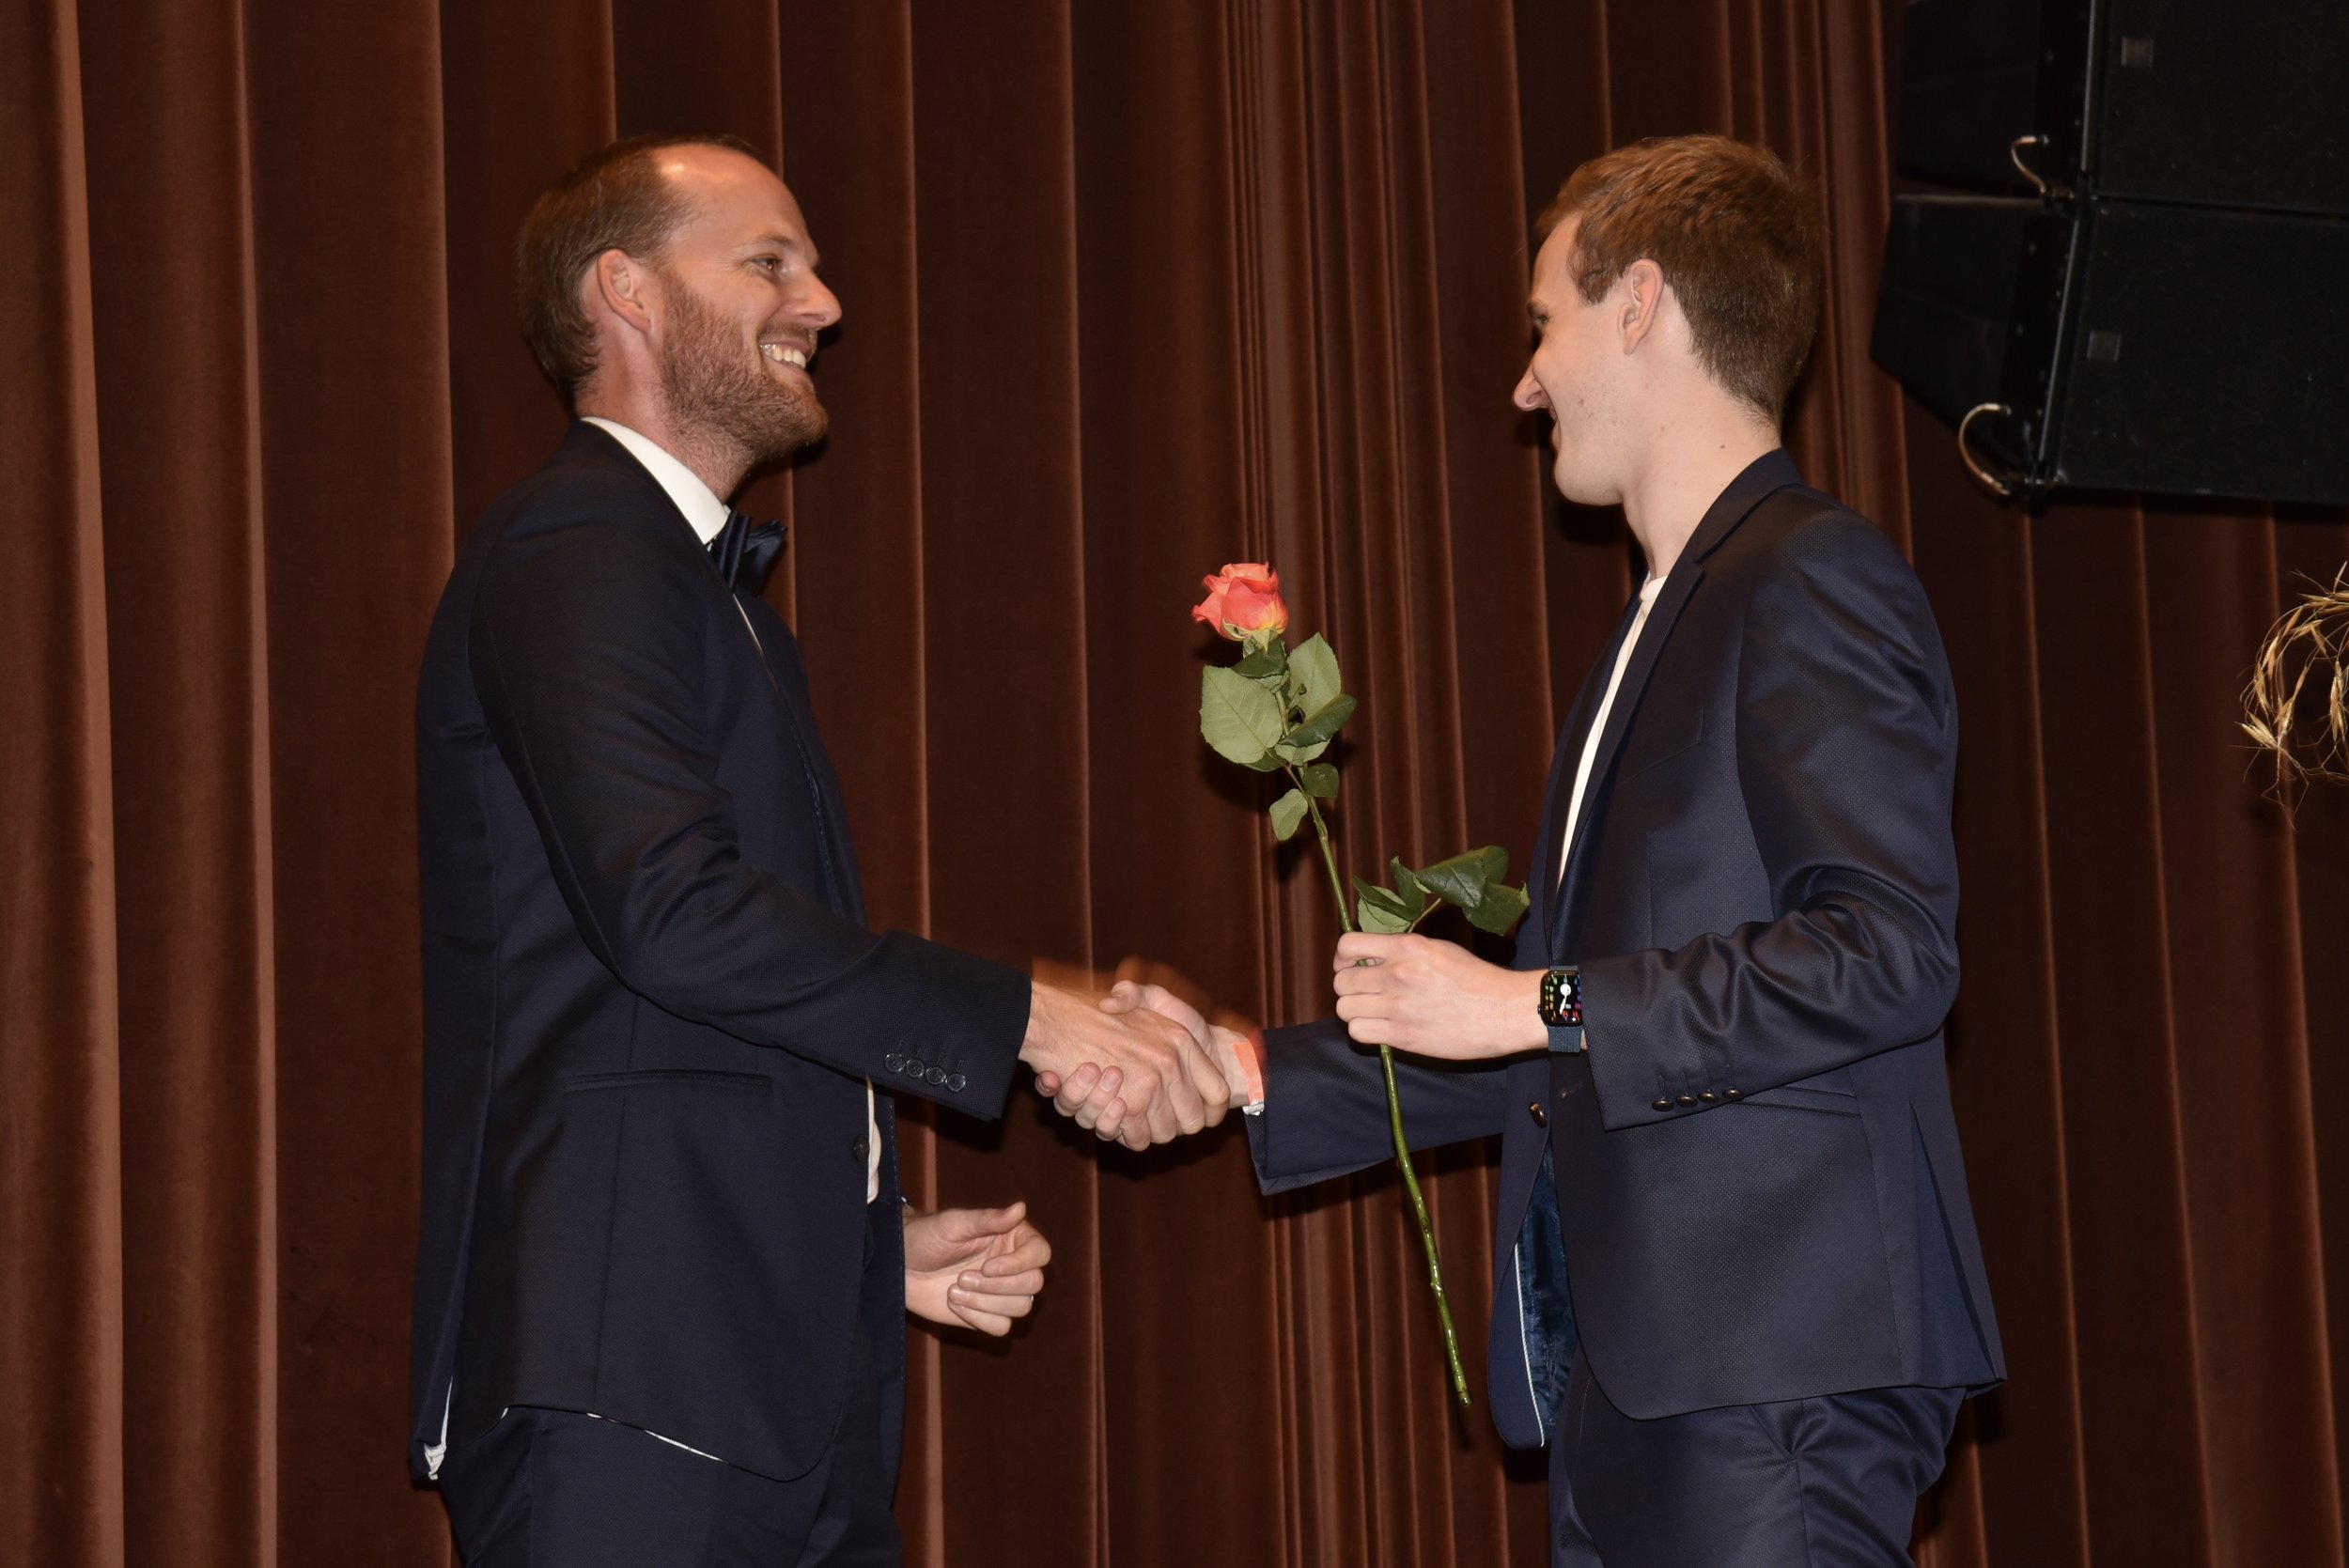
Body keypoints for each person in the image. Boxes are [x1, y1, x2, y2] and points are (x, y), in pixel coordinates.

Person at [1060, 134, 2004, 1565]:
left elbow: (1887, 950)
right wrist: (1250, 1071)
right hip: (1628, 1388)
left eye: (1541, 322)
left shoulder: (1810, 574)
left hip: (1769, 1374)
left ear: (1641, 303)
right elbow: (1572, 1039)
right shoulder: (1655, 624)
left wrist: (1526, 998)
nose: (1523, 379)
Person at [408, 132, 1229, 1567]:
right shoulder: (579, 549)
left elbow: (685, 1001)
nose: (825, 301)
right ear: (629, 294)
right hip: (632, 1395)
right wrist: (1034, 1010)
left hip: (748, 1383)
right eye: (769, 264)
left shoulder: (699, 590)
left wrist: (866, 1240)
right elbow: (673, 916)